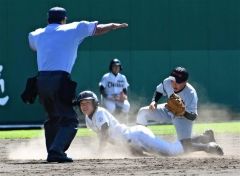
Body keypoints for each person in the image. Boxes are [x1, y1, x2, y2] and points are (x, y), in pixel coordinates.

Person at [28, 6, 128, 163]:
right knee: (70, 120)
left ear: (48, 19)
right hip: (59, 79)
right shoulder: (73, 28)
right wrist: (113, 26)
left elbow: (33, 45)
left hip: (41, 81)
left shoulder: (36, 34)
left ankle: (52, 151)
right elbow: (98, 28)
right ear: (64, 19)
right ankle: (56, 150)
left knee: (53, 118)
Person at [74, 90, 223, 157]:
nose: (84, 106)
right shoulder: (88, 119)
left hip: (137, 136)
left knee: (171, 152)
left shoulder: (99, 112)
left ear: (95, 103)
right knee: (165, 152)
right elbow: (114, 138)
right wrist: (133, 151)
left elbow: (105, 134)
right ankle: (204, 137)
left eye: (87, 103)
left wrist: (99, 153)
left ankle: (207, 147)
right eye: (81, 104)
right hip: (133, 140)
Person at [136, 66, 221, 151]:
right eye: (173, 80)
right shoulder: (167, 82)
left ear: (185, 82)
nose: (174, 83)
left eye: (178, 82)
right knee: (143, 112)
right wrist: (154, 101)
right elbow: (159, 91)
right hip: (168, 109)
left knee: (184, 147)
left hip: (183, 117)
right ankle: (139, 142)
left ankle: (206, 141)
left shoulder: (191, 93)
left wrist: (183, 112)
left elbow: (193, 116)